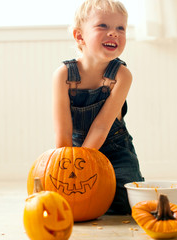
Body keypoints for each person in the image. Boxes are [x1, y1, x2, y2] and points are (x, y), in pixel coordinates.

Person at [52, 0, 144, 215]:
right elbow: (63, 131)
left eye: (120, 28)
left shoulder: (121, 75)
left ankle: (107, 196)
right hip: (74, 150)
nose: (113, 33)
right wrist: (69, 166)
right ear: (79, 36)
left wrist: (87, 162)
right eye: (103, 26)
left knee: (127, 203)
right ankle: (91, 200)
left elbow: (102, 127)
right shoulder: (64, 75)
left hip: (116, 149)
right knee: (66, 194)